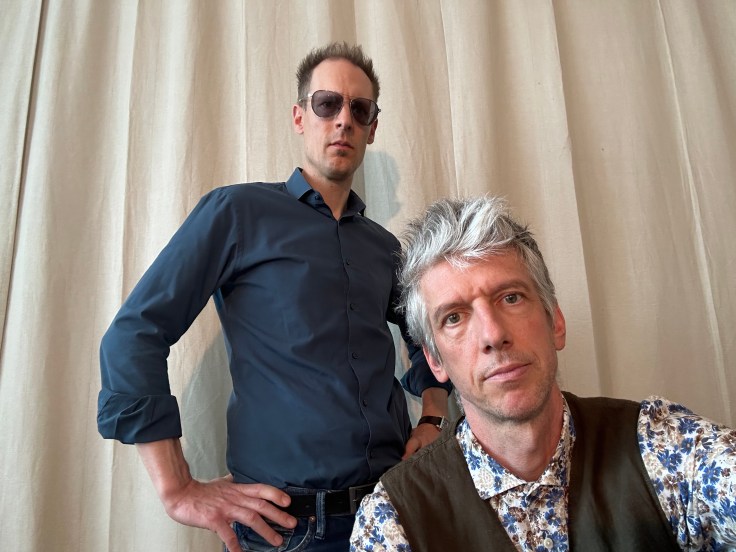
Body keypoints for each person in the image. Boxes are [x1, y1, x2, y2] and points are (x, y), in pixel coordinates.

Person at [97, 42, 450, 552]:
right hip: (284, 529)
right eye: (327, 104)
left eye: (360, 109)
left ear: (373, 127)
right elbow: (133, 335)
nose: (343, 120)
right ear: (300, 116)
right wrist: (177, 489)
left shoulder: (385, 248)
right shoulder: (237, 213)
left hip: (393, 509)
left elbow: (431, 338)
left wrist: (434, 416)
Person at [350, 196, 736, 551]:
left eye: (511, 298)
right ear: (435, 361)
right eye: (454, 317)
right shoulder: (394, 520)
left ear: (556, 322)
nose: (493, 335)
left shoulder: (662, 446)